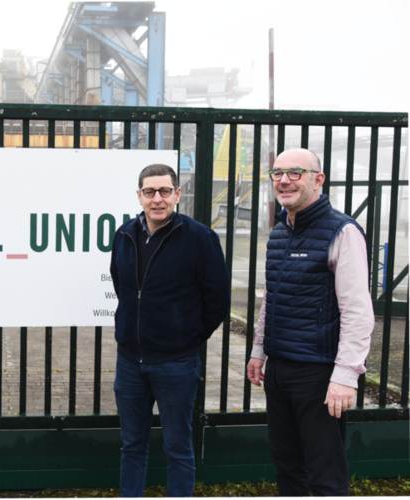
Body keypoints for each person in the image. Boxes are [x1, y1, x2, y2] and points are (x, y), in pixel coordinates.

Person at [246, 148, 373, 499]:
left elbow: (358, 310)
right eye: (277, 173)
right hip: (280, 368)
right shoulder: (280, 232)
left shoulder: (342, 232)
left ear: (318, 180)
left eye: (295, 172)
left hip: (319, 376)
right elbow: (273, 297)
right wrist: (259, 350)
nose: (284, 180)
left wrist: (346, 376)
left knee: (325, 475)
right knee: (287, 467)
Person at [110, 164, 230, 499]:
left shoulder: (199, 238)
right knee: (132, 445)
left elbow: (217, 299)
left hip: (176, 363)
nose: (157, 199)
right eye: (150, 192)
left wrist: (185, 336)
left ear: (177, 194)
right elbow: (123, 287)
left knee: (178, 447)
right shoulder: (124, 235)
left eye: (165, 191)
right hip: (130, 361)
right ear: (140, 196)